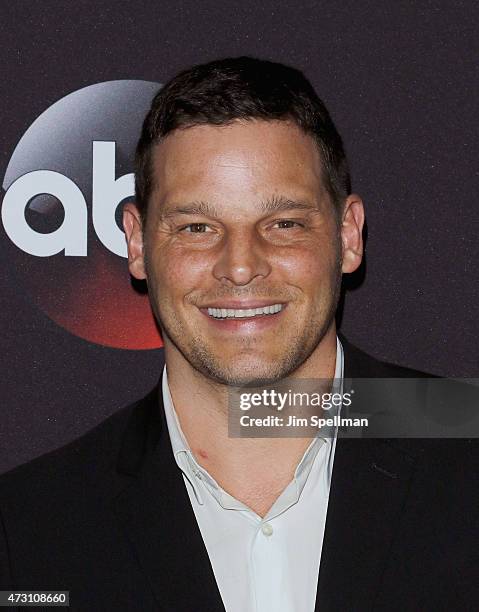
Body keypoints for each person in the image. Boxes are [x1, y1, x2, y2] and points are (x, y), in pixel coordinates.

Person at [0, 57, 477, 612]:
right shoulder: (29, 530)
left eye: (284, 224)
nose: (242, 265)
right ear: (136, 243)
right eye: (198, 228)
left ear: (348, 236)